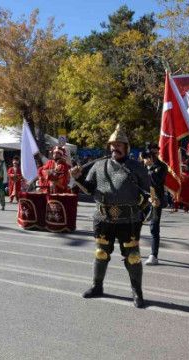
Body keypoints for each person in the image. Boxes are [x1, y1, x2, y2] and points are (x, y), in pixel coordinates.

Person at [70, 124, 150, 308]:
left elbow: (148, 194)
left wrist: (140, 214)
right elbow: (89, 189)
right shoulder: (99, 166)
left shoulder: (137, 167)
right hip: (103, 218)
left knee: (133, 256)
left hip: (128, 220)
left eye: (120, 144)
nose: (116, 147)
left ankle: (137, 292)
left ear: (127, 147)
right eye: (113, 144)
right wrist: (78, 178)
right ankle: (97, 286)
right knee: (101, 253)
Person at [140, 150, 166, 266]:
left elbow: (156, 181)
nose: (145, 160)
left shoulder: (161, 167)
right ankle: (132, 251)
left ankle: (154, 255)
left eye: (147, 157)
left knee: (154, 228)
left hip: (156, 200)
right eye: (144, 157)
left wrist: (150, 167)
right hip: (142, 200)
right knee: (135, 224)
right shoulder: (142, 167)